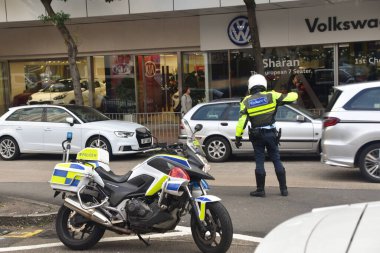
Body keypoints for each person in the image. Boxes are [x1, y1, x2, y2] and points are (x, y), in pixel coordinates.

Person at [235, 74, 298, 197]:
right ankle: (283, 189)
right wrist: (292, 88)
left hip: (256, 135)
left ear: (250, 86)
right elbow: (293, 97)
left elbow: (242, 121)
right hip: (271, 134)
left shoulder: (246, 101)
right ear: (263, 84)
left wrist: (238, 137)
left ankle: (260, 190)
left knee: (259, 161)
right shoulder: (272, 95)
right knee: (276, 159)